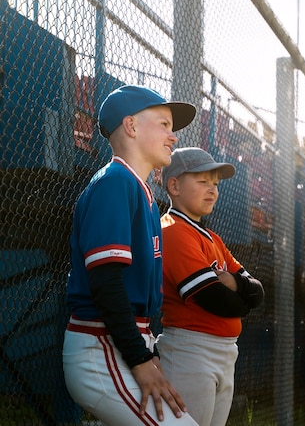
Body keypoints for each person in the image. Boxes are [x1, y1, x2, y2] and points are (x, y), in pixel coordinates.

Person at [63, 84, 200, 425]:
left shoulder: (144, 193)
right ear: (132, 126)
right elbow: (106, 282)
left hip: (123, 343)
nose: (173, 136)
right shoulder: (115, 182)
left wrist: (147, 352)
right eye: (164, 124)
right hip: (101, 347)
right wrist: (139, 359)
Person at [157, 147, 265, 426]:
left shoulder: (212, 238)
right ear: (174, 185)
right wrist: (241, 295)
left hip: (224, 352)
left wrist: (236, 286)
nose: (212, 190)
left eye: (215, 183)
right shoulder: (173, 231)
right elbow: (216, 300)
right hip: (190, 351)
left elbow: (258, 291)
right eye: (202, 181)